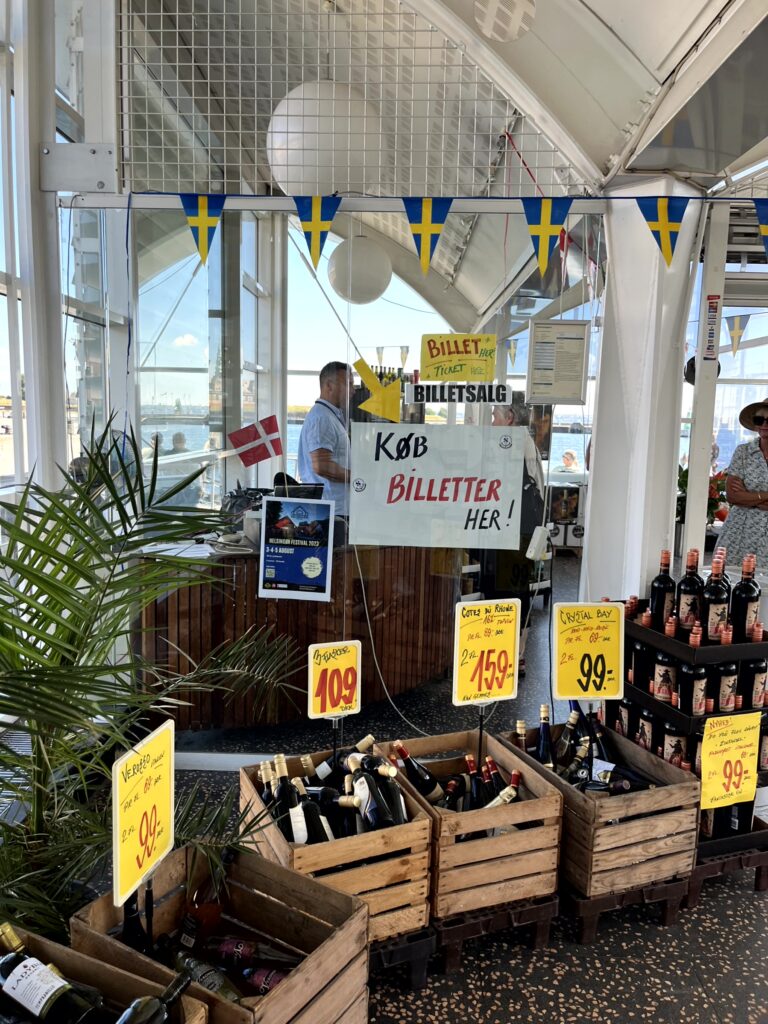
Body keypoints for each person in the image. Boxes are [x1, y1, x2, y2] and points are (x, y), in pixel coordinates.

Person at [482, 399, 546, 676]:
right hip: (508, 530)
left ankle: (515, 655)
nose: (492, 422)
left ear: (509, 417)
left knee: (512, 593)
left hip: (516, 532)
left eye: (494, 416)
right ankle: (504, 651)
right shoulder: (520, 443)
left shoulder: (517, 444)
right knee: (506, 591)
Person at [716, 397, 768, 568]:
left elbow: (740, 497)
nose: (764, 424)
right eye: (759, 420)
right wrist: (763, 497)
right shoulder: (743, 452)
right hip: (739, 531)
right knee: (731, 577)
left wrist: (748, 496)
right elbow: (732, 496)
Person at [297, 361, 355, 515]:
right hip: (330, 511)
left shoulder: (329, 416)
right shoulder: (322, 418)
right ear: (329, 386)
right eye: (348, 384)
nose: (353, 390)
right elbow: (321, 466)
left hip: (335, 509)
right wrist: (358, 477)